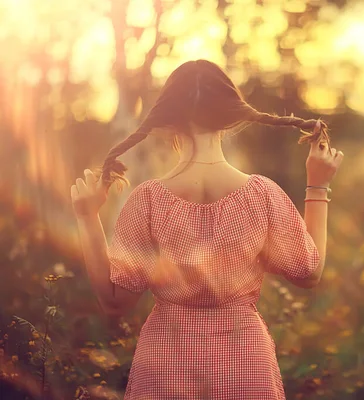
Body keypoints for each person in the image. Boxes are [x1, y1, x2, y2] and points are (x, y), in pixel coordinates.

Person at [70, 59, 344, 400]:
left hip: (164, 367)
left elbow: (114, 302)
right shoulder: (261, 194)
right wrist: (317, 187)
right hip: (247, 364)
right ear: (229, 118)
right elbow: (309, 272)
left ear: (168, 122)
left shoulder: (148, 200)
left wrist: (86, 215)